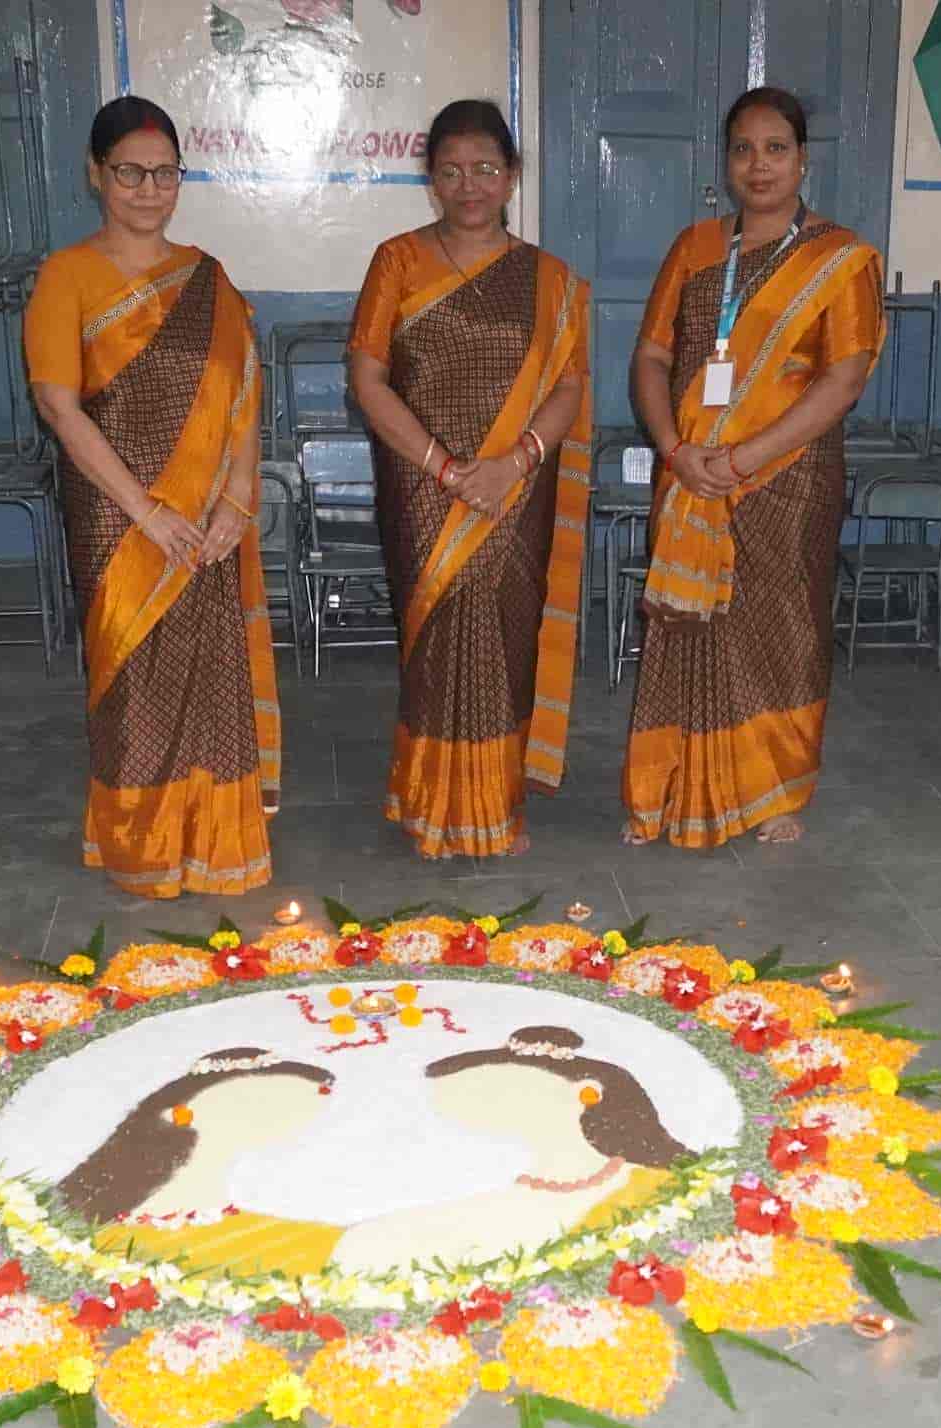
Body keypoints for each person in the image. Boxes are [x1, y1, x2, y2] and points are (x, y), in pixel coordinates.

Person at [24, 97, 280, 900]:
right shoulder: (67, 275)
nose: (148, 190)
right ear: (96, 175)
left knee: (209, 673)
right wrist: (146, 510)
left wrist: (236, 500)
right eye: (130, 173)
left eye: (164, 173)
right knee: (133, 677)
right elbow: (58, 405)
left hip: (206, 516)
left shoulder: (208, 278)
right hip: (116, 514)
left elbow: (242, 394)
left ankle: (213, 839)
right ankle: (142, 846)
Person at [624, 87, 884, 849]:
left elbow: (845, 378)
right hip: (690, 472)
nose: (759, 165)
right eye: (743, 149)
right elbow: (652, 357)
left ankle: (774, 790)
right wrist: (676, 451)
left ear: (802, 161)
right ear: (726, 162)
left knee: (782, 626)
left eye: (776, 148)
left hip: (788, 477)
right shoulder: (695, 248)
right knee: (688, 628)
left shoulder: (841, 258)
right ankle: (670, 785)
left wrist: (743, 459)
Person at [346, 100, 591, 860]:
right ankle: (431, 800)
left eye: (485, 168)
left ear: (512, 175)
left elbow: (569, 386)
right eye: (450, 171)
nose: (469, 185)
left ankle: (494, 805)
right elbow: (368, 378)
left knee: (506, 634)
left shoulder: (551, 279)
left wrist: (515, 462)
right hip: (423, 487)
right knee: (435, 636)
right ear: (431, 180)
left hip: (517, 486)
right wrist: (445, 467)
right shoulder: (397, 262)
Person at [327, 1027, 692, 1272]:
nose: (491, 1099)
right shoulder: (498, 1194)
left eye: (512, 1088)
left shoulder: (655, 1188)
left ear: (586, 1093)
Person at [57, 1048, 342, 1274]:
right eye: (255, 1102)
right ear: (177, 1111)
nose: (277, 1118)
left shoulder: (294, 1240)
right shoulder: (69, 1227)